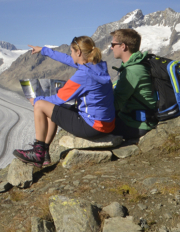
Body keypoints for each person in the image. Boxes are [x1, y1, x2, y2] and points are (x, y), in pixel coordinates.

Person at [12, 36, 115, 167]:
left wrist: (35, 100)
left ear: (78, 53)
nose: (70, 55)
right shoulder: (97, 65)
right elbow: (67, 59)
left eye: (71, 51)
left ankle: (38, 152)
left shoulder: (83, 75)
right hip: (106, 123)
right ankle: (45, 152)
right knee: (51, 109)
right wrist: (43, 50)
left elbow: (59, 99)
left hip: (92, 126)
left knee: (40, 105)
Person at [109, 28, 157, 141]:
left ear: (123, 46)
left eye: (113, 44)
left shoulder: (132, 71)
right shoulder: (141, 63)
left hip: (135, 125)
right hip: (142, 120)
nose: (111, 48)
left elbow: (115, 105)